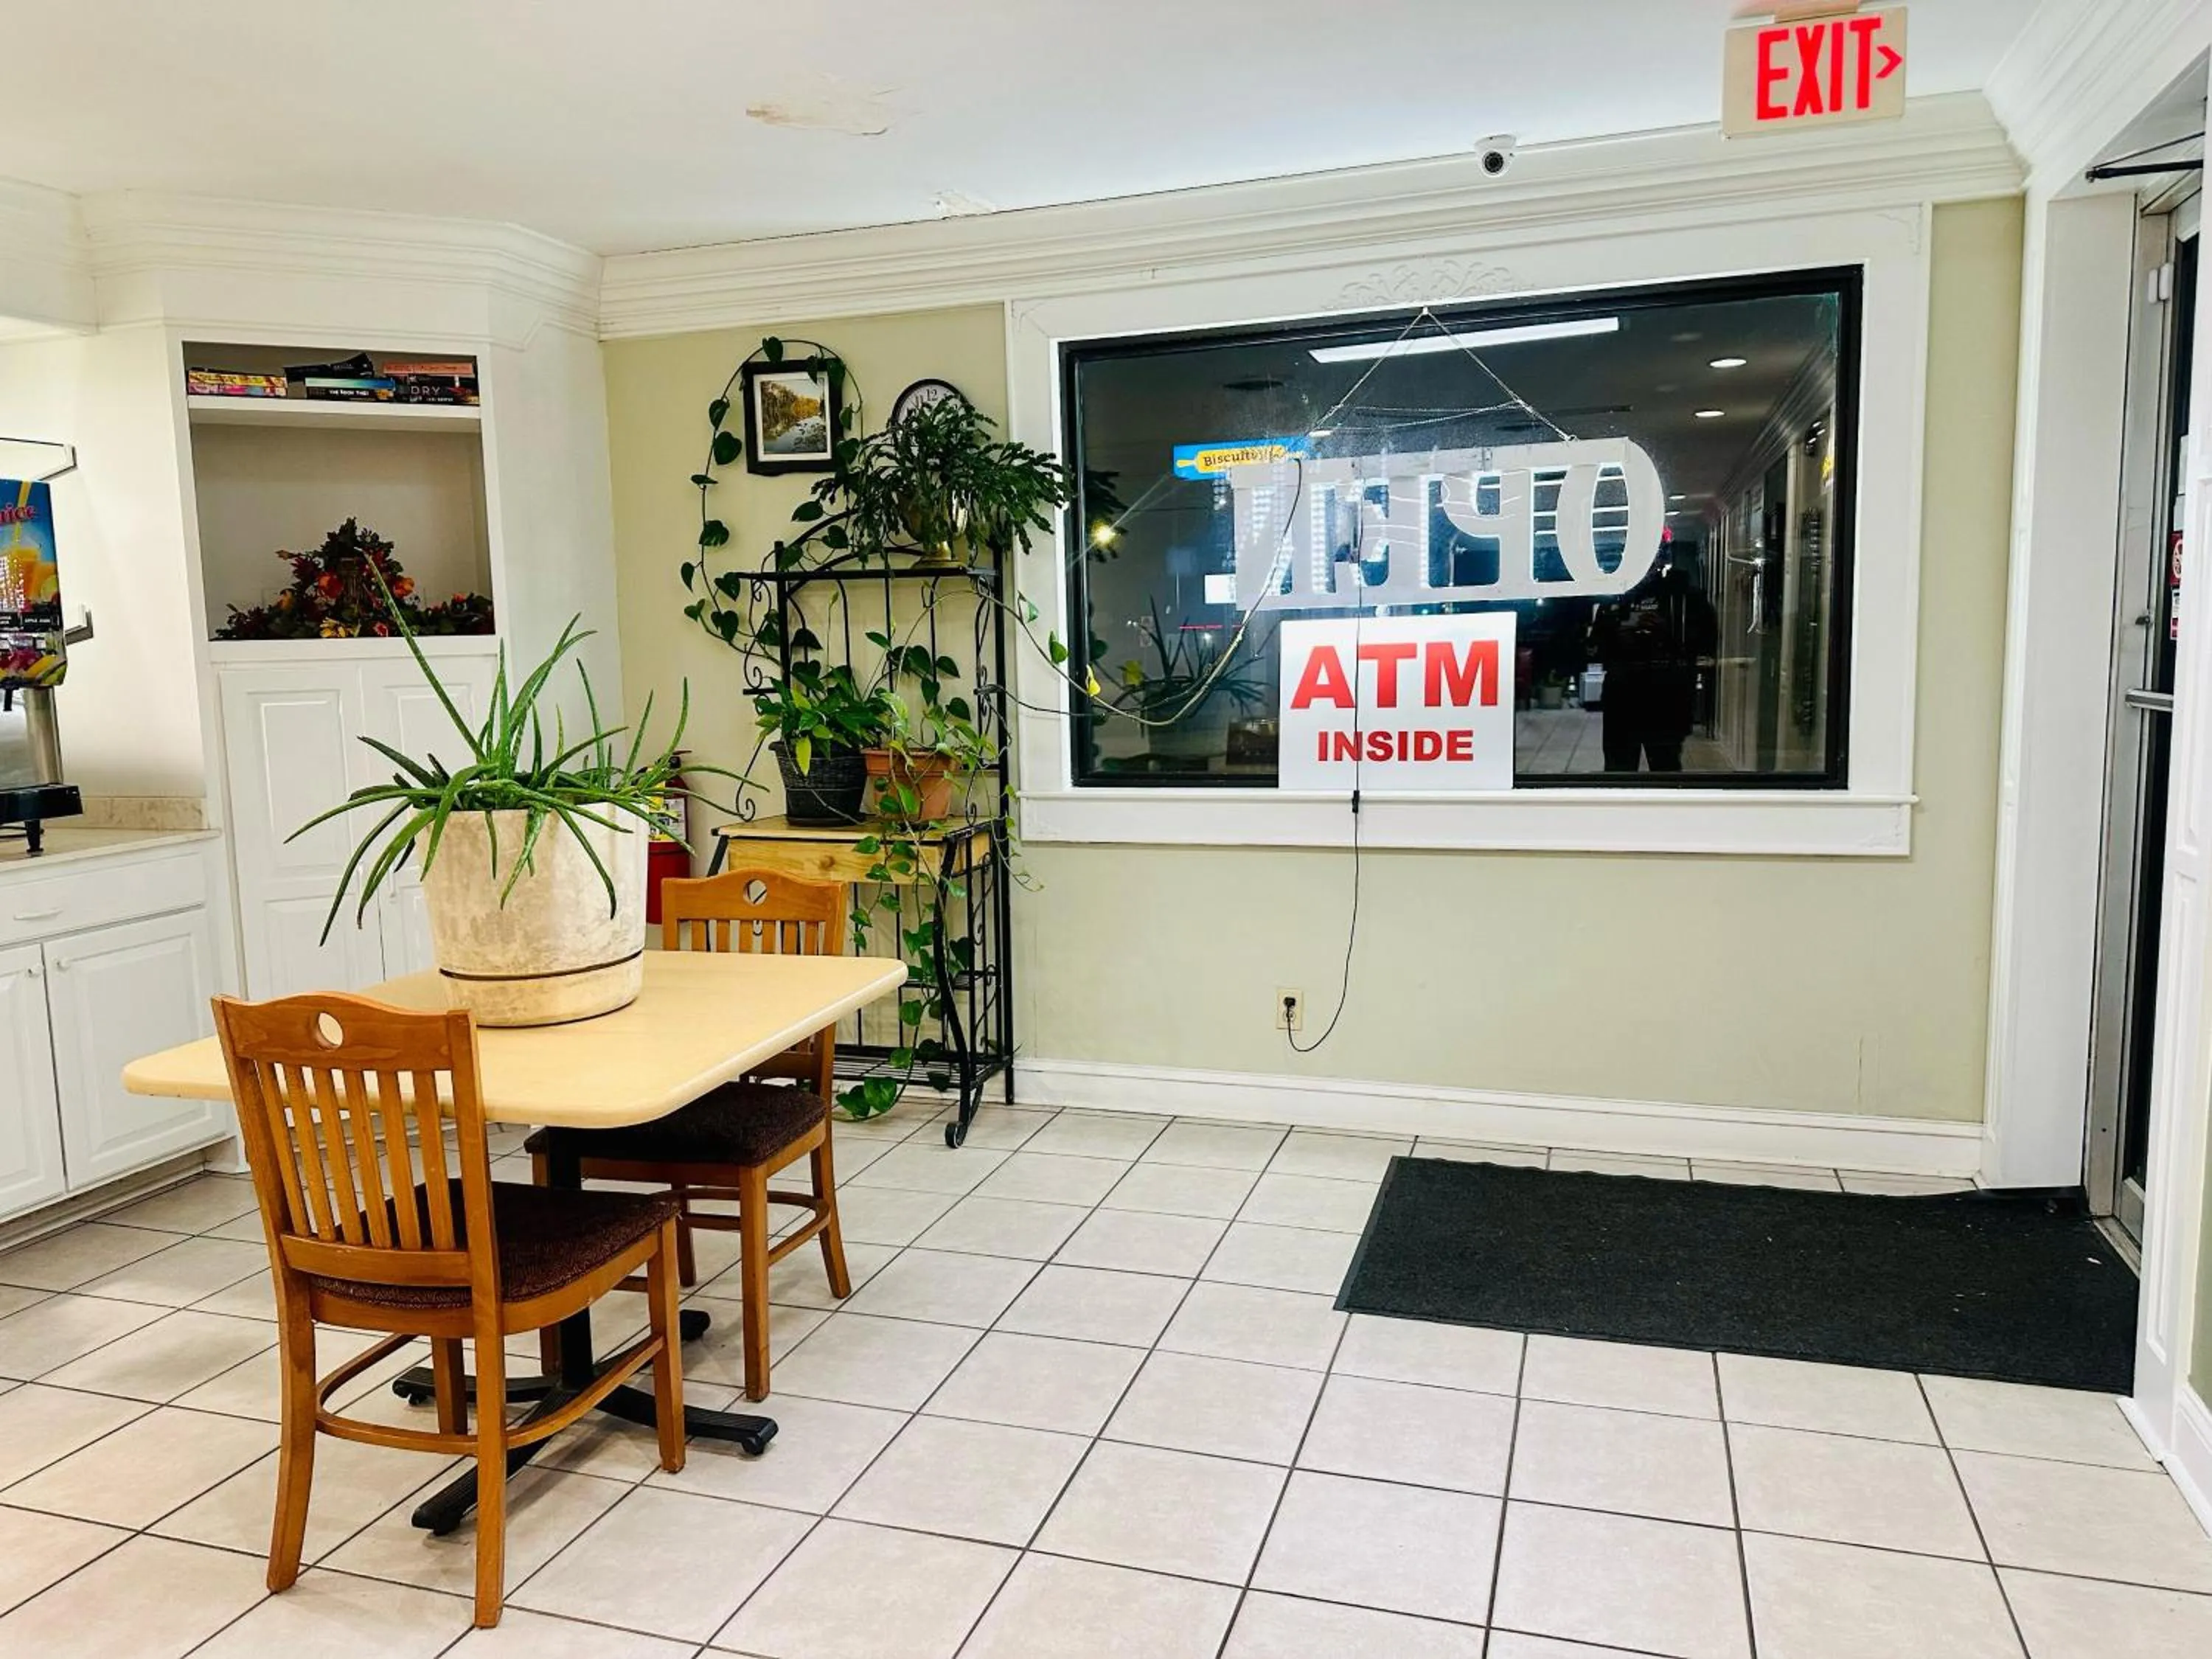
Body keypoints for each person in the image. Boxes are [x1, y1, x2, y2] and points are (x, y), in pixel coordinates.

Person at [1586, 547, 1718, 773]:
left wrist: (1667, 633)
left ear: (1658, 562)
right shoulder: (1617, 599)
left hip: (1665, 695)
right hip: (1624, 695)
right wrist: (1619, 637)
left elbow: (1706, 643)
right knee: (1620, 770)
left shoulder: (1683, 598)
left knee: (1665, 767)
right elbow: (1594, 650)